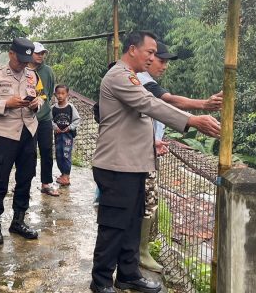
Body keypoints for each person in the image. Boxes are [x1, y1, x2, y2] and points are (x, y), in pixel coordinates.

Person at [90, 31, 221, 293]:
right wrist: (192, 120)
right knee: (114, 224)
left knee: (132, 222)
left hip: (134, 164)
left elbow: (138, 117)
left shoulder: (133, 78)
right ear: (132, 50)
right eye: (149, 52)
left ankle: (128, 274)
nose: (152, 58)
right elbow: (150, 104)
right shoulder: (119, 76)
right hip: (117, 165)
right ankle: (101, 280)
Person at [135, 41, 222, 272]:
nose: (164, 66)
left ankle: (137, 249)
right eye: (160, 60)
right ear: (147, 57)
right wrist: (202, 106)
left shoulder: (139, 81)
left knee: (143, 201)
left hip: (145, 150)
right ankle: (140, 253)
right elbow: (169, 100)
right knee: (148, 203)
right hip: (140, 155)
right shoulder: (142, 81)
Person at [0, 37, 42, 245]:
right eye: (20, 60)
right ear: (11, 54)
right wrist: (7, 103)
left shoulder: (32, 75)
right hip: (5, 134)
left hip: (28, 132)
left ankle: (18, 221)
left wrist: (36, 104)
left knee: (25, 178)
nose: (24, 65)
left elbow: (41, 98)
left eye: (27, 61)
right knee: (0, 179)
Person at [29, 42, 58, 197]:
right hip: (28, 118)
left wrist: (44, 107)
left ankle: (46, 183)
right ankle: (24, 182)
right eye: (37, 53)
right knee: (28, 152)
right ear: (30, 54)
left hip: (45, 117)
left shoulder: (48, 71)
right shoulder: (24, 70)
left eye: (42, 53)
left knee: (46, 150)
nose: (40, 56)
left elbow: (49, 91)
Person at [51, 84, 80, 187]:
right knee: (59, 155)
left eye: (63, 93)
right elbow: (50, 120)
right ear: (55, 94)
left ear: (67, 94)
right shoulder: (53, 108)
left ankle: (66, 176)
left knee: (66, 154)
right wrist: (55, 127)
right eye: (58, 93)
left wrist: (70, 127)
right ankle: (63, 174)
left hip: (67, 136)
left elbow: (77, 119)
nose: (60, 96)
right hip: (58, 135)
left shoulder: (70, 107)